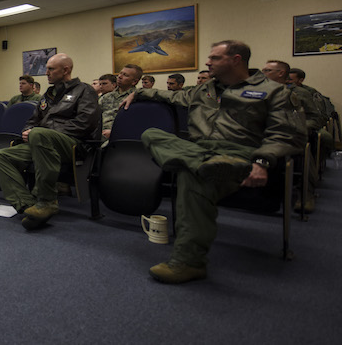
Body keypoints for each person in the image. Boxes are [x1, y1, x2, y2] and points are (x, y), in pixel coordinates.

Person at [122, 40, 304, 284]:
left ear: (236, 60)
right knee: (151, 134)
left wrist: (262, 161)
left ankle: (188, 262)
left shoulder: (273, 91)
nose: (208, 62)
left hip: (239, 155)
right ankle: (203, 163)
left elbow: (288, 135)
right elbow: (171, 95)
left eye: (215, 58)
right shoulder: (205, 89)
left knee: (193, 175)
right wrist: (139, 92)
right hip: (202, 152)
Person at [0, 53, 101, 230]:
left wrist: (41, 132)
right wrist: (28, 131)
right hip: (41, 141)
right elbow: (33, 120)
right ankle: (27, 205)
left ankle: (46, 201)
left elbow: (85, 123)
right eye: (47, 69)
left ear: (66, 70)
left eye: (51, 69)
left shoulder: (84, 90)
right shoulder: (49, 94)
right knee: (2, 156)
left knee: (39, 134)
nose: (47, 73)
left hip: (73, 144)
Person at [263, 60, 320, 212]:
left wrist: (298, 128)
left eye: (267, 70)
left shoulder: (299, 93)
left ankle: (306, 194)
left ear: (281, 73)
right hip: (262, 133)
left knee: (301, 147)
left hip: (290, 134)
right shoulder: (258, 91)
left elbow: (315, 118)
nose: (263, 74)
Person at [100, 65, 142, 139]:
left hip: (124, 137)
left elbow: (137, 124)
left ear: (134, 82)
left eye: (125, 75)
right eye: (120, 73)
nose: (119, 76)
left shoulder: (138, 98)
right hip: (100, 136)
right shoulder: (106, 97)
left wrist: (114, 132)